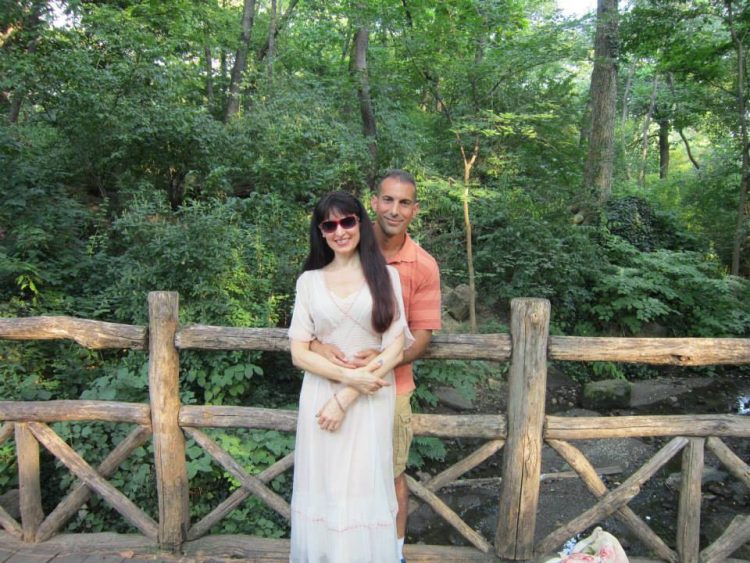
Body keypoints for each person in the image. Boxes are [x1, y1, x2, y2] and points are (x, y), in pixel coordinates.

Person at [311, 171, 441, 563]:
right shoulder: (344, 239)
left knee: (388, 477)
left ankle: (391, 554)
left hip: (392, 390)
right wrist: (316, 344)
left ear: (415, 210)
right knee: (337, 478)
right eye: (388, 200)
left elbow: (421, 337)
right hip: (331, 385)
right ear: (374, 202)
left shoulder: (422, 265)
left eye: (404, 203)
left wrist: (384, 361)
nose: (395, 210)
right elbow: (311, 311)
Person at [288, 191, 414, 563]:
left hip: (370, 398)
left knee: (362, 488)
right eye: (330, 224)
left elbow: (395, 346)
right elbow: (299, 352)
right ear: (321, 232)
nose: (340, 231)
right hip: (321, 397)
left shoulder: (385, 277)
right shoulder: (309, 282)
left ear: (360, 221)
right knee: (325, 487)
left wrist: (350, 393)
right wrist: (347, 377)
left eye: (347, 221)